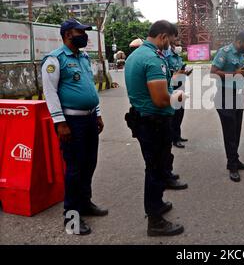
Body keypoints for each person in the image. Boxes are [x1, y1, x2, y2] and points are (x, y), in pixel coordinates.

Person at [42, 19, 108, 236]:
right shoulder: (55, 59)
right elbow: (50, 93)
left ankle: (85, 203)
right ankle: (72, 217)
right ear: (68, 33)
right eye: (81, 32)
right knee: (74, 169)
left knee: (90, 164)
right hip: (71, 123)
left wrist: (97, 114)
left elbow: (89, 87)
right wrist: (60, 123)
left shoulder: (84, 57)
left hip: (89, 119)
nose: (85, 36)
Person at [124, 20, 186, 237]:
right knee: (155, 170)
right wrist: (178, 96)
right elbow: (160, 99)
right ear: (163, 36)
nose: (171, 45)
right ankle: (155, 221)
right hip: (154, 122)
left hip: (145, 119)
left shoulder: (136, 56)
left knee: (156, 167)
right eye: (171, 40)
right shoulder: (152, 58)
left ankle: (157, 204)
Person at [210, 31, 244, 183]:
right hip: (224, 96)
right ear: (239, 41)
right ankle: (232, 166)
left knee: (236, 132)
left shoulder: (241, 55)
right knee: (230, 133)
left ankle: (235, 160)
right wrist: (234, 74)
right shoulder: (224, 52)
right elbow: (213, 73)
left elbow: (240, 78)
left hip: (237, 95)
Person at [164, 42, 192, 149]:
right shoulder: (168, 57)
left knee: (180, 113)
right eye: (176, 45)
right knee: (175, 114)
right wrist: (178, 73)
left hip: (181, 86)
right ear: (172, 46)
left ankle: (178, 135)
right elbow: (169, 73)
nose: (178, 47)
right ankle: (174, 139)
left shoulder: (178, 57)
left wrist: (185, 72)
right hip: (173, 87)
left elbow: (180, 70)